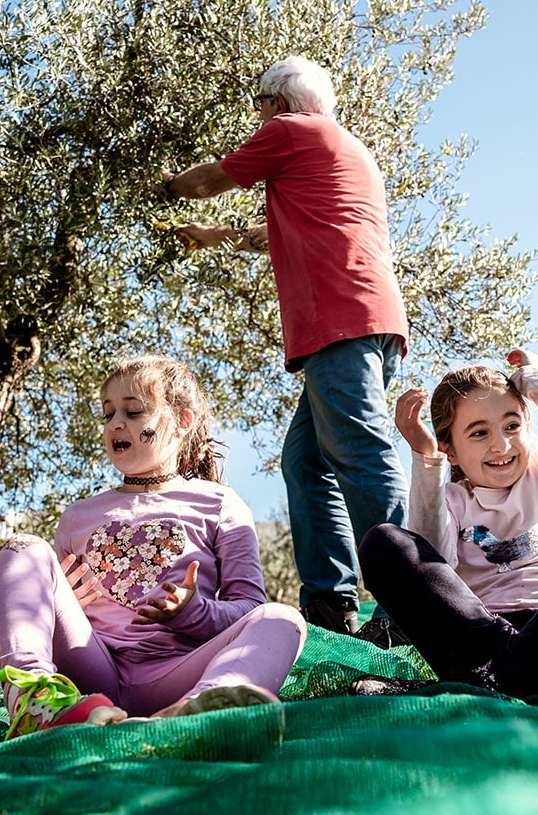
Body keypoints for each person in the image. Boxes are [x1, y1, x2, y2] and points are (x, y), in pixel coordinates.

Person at [162, 55, 409, 644]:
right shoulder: (342, 148)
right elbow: (281, 231)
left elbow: (209, 180)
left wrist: (164, 186)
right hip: (369, 319)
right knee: (307, 461)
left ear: (278, 101)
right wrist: (214, 237)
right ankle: (330, 603)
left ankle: (406, 598)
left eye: (259, 104)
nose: (258, 116)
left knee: (363, 455)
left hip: (340, 323)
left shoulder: (290, 131)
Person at [0, 354, 307, 736]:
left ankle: (203, 709)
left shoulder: (220, 504)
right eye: (108, 414)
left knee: (284, 618)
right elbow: (49, 613)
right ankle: (35, 704)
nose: (116, 423)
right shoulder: (77, 516)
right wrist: (57, 601)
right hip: (92, 671)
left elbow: (249, 607)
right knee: (22, 549)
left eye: (134, 411)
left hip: (179, 673)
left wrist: (193, 612)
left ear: (182, 422)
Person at [354, 349, 538, 696]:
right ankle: (516, 675)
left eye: (512, 426)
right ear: (450, 450)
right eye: (479, 433)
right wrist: (427, 460)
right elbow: (432, 563)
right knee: (383, 542)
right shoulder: (450, 499)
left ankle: (493, 681)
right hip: (483, 639)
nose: (501, 445)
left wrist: (534, 379)